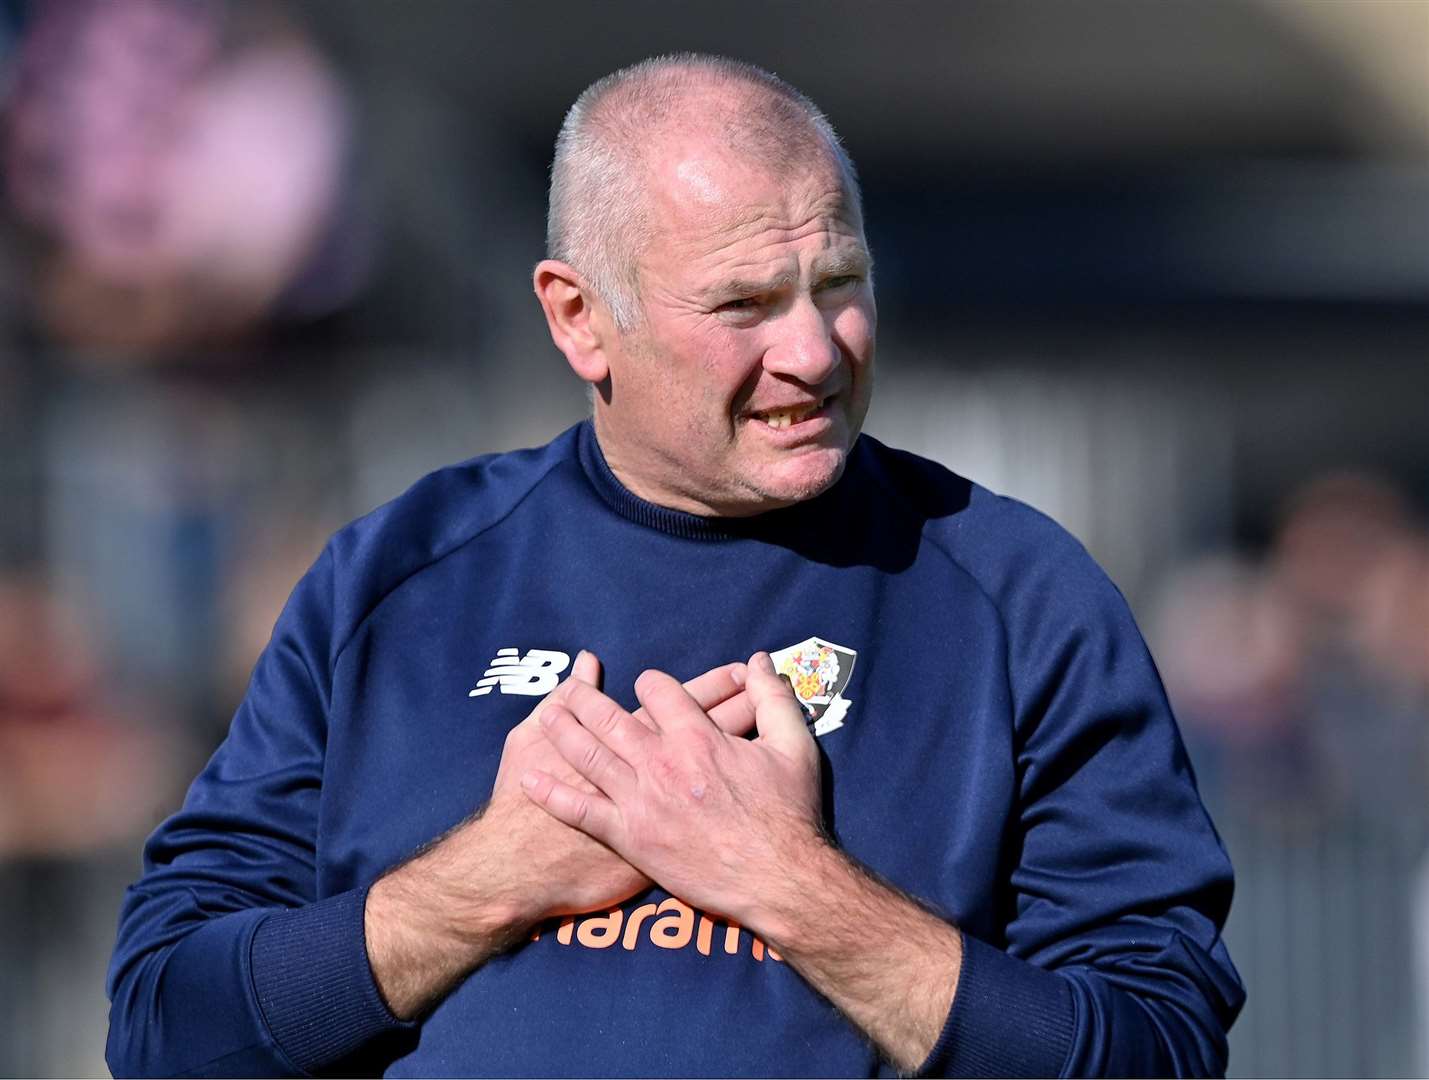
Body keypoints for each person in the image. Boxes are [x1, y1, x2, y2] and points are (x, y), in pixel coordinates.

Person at [106, 54, 1243, 1077]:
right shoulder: (394, 582)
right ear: (580, 320)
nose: (810, 352)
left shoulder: (1020, 598)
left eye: (838, 286)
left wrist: (784, 882)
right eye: (743, 304)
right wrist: (486, 883)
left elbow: (1156, 1049)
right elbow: (166, 1028)